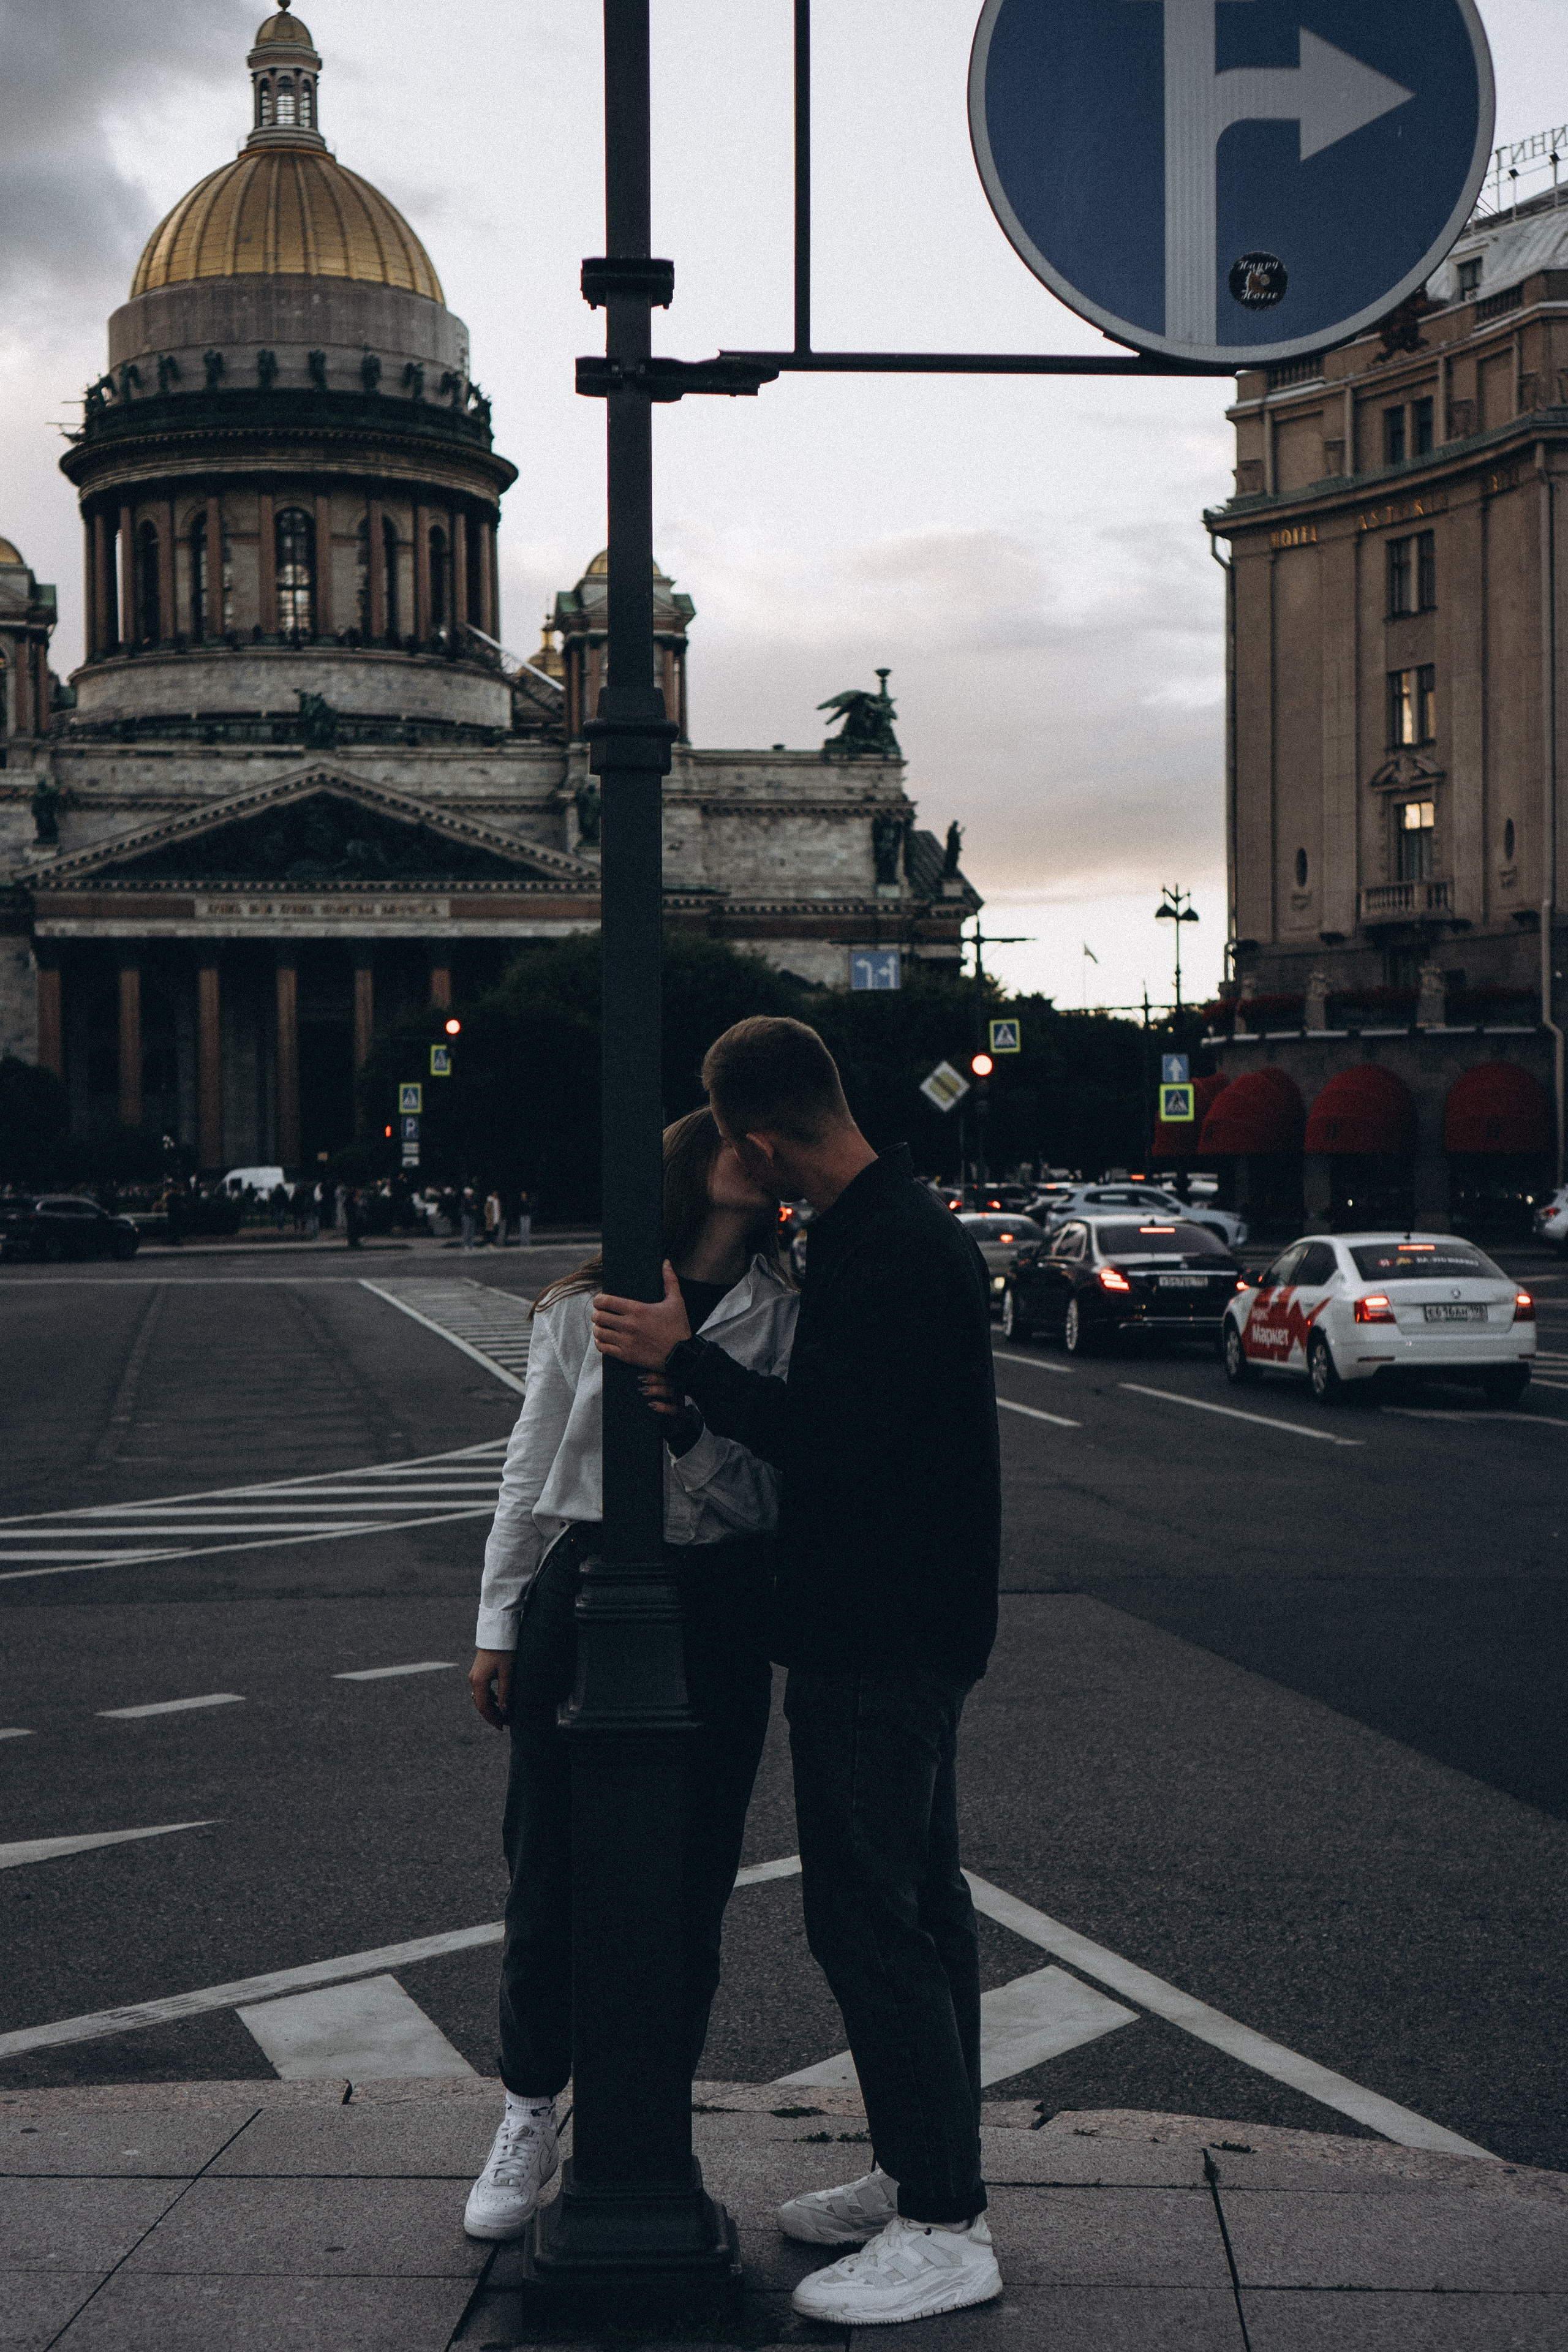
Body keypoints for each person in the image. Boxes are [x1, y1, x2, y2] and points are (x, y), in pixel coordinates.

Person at [593, 1017, 1002, 2329]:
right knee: (919, 1913)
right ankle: (921, 2176)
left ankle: (944, 2225)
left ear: (756, 1138)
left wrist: (684, 1359)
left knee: (868, 1922)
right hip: (897, 1624)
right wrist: (704, 1389)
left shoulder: (883, 1245)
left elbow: (837, 1440)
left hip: (876, 1634)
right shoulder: (888, 1223)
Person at [462, 1108, 798, 2245]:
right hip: (581, 1590)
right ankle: (524, 2108)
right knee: (547, 1866)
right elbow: (530, 1463)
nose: (764, 1159)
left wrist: (688, 1421)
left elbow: (766, 1496)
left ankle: (649, 2111)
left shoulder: (786, 1308)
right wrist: (498, 1622)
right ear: (691, 1173)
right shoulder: (581, 1306)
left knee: (692, 1881)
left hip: (719, 1607)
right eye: (740, 1146)